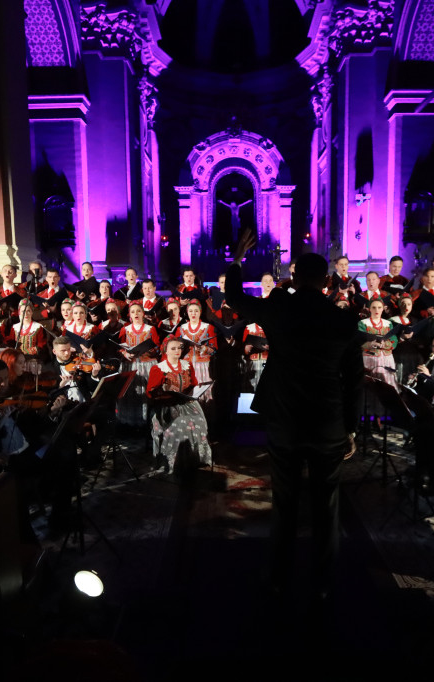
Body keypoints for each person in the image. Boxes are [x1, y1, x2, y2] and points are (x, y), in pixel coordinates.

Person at [225, 227, 364, 601]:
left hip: (285, 417)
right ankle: (322, 582)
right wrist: (351, 427)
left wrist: (238, 259)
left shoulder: (279, 307)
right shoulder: (345, 321)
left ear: (294, 277)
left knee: (285, 502)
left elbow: (235, 297)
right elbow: (354, 381)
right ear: (327, 280)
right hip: (328, 421)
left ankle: (278, 577)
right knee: (326, 505)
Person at [146, 338, 212, 473]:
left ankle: (195, 459)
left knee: (198, 420)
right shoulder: (158, 368)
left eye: (179, 348)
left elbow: (193, 384)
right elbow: (151, 393)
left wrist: (196, 391)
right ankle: (174, 461)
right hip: (167, 406)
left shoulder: (187, 365)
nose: (177, 351)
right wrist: (164, 389)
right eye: (173, 348)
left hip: (187, 403)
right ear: (166, 351)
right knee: (182, 422)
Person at [115, 303, 159, 425]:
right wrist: (125, 354)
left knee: (146, 392)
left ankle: (146, 422)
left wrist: (149, 350)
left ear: (143, 313)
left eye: (138, 311)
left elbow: (157, 348)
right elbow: (120, 347)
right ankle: (130, 424)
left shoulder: (151, 329)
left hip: (147, 364)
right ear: (129, 315)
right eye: (133, 311)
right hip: (131, 364)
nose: (136, 314)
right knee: (131, 393)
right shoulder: (125, 329)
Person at [360, 298, 398, 387]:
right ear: (369, 309)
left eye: (379, 307)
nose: (376, 310)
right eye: (374, 307)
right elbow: (359, 341)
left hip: (386, 359)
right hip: (370, 358)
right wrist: (371, 344)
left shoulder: (388, 323)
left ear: (383, 308)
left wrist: (386, 344)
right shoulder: (363, 323)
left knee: (387, 385)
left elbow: (394, 340)